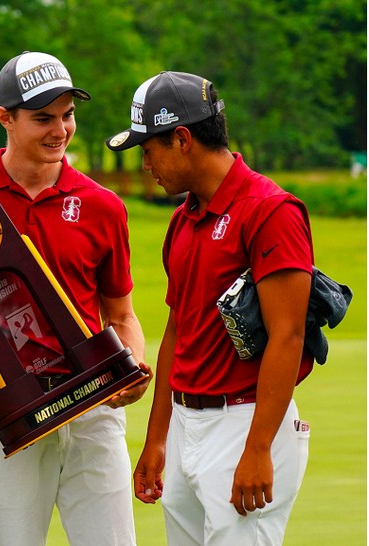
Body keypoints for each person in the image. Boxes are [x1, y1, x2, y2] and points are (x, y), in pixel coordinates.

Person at [0, 51, 150, 546]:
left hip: (93, 398)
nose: (59, 130)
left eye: (67, 115)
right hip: (6, 403)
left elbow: (121, 313)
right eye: (43, 118)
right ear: (5, 118)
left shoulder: (103, 206)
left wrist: (135, 364)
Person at [106, 71, 313, 545]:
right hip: (185, 424)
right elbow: (178, 332)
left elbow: (289, 335)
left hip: (246, 422)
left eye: (148, 149)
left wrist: (259, 447)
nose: (145, 165)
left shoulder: (270, 210)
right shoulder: (182, 221)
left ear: (181, 139)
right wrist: (158, 437)